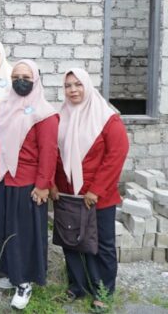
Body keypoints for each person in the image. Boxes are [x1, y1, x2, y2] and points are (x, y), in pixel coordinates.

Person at [51, 68, 129, 312]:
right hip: (67, 195)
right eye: (68, 86)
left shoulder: (107, 118)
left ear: (87, 86)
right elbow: (54, 153)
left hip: (97, 197)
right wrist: (52, 183)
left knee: (102, 244)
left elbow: (116, 155)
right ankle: (77, 286)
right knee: (70, 242)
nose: (73, 90)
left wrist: (95, 189)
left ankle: (103, 291)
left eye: (78, 84)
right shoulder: (60, 116)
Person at [0, 60, 59, 311]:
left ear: (36, 79)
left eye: (26, 77)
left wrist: (43, 185)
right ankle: (10, 271)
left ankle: (24, 282)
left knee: (24, 234)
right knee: (7, 229)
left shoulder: (45, 113)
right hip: (4, 179)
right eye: (15, 76)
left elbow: (49, 153)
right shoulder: (3, 107)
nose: (20, 81)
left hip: (27, 183)